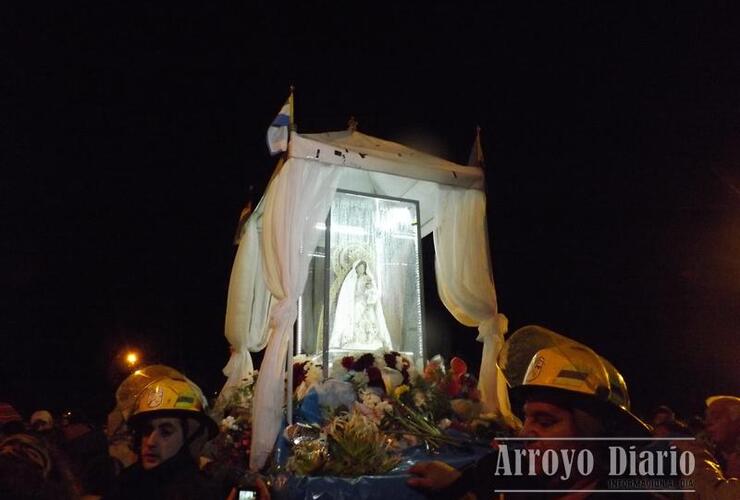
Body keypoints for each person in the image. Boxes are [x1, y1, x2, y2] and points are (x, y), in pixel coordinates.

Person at [408, 325, 659, 499]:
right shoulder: (519, 481)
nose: (526, 433)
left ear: (594, 434)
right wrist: (456, 482)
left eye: (546, 421)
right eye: (526, 417)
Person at [329, 259, 392, 351]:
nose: (361, 269)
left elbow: (373, 293)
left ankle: (369, 339)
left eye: (363, 267)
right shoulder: (351, 280)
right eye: (360, 267)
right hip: (357, 304)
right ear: (356, 269)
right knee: (356, 320)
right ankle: (356, 339)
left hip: (367, 304)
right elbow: (348, 295)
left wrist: (370, 292)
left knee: (371, 320)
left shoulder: (368, 278)